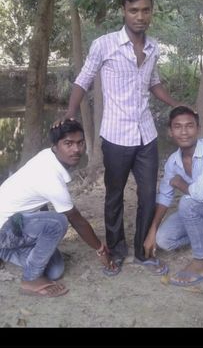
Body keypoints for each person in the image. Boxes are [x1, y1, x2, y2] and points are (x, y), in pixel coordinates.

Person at [62, 0, 181, 276]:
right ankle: (116, 251)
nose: (140, 16)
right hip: (116, 136)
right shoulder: (104, 44)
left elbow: (154, 83)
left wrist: (178, 104)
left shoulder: (154, 47)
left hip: (146, 136)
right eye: (133, 11)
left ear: (151, 11)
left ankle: (142, 251)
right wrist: (70, 113)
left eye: (145, 10)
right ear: (123, 12)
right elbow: (84, 79)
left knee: (147, 194)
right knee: (114, 196)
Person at [0, 119, 117, 297]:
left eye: (80, 143)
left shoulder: (48, 157)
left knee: (55, 270)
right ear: (55, 146)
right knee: (58, 222)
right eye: (68, 143)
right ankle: (30, 280)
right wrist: (100, 248)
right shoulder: (50, 175)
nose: (76, 149)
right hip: (5, 227)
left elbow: (41, 202)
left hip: (14, 224)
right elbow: (76, 220)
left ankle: (4, 252)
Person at [144, 106, 203, 286]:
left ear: (198, 129)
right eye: (178, 127)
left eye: (189, 126)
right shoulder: (173, 161)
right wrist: (152, 230)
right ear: (170, 132)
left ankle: (202, 263)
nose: (184, 132)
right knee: (164, 239)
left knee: (189, 203)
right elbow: (164, 196)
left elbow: (200, 195)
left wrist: (180, 183)